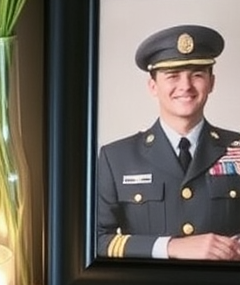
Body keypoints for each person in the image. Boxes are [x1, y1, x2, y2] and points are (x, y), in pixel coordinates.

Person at [96, 24, 240, 260]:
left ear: (211, 83)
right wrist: (171, 247)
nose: (185, 86)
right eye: (172, 76)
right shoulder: (116, 158)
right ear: (153, 86)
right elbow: (98, 240)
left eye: (197, 74)